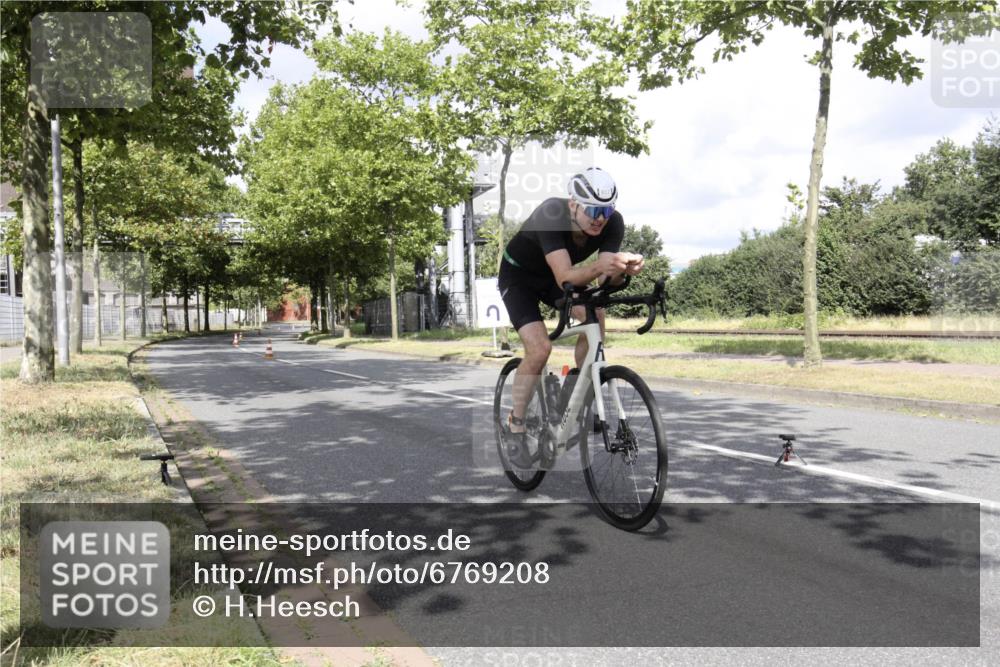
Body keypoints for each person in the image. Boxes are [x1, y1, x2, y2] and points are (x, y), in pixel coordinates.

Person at [498, 167, 643, 462]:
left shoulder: (612, 223)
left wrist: (621, 270)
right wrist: (606, 266)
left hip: (554, 280)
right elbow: (565, 273)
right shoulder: (551, 213)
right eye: (592, 210)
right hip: (519, 277)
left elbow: (603, 280)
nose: (599, 219)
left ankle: (576, 390)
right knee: (540, 348)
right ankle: (516, 423)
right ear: (573, 204)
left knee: (596, 312)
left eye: (606, 210)